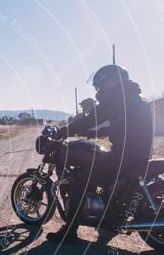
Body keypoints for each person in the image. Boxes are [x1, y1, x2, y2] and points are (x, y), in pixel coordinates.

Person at [46, 64, 154, 244]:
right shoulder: (133, 97)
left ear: (109, 82)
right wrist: (95, 133)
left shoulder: (117, 97)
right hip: (137, 153)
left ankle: (69, 231)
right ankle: (110, 216)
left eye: (99, 85)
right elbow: (125, 126)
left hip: (125, 155)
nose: (99, 90)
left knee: (82, 179)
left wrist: (61, 132)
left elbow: (91, 119)